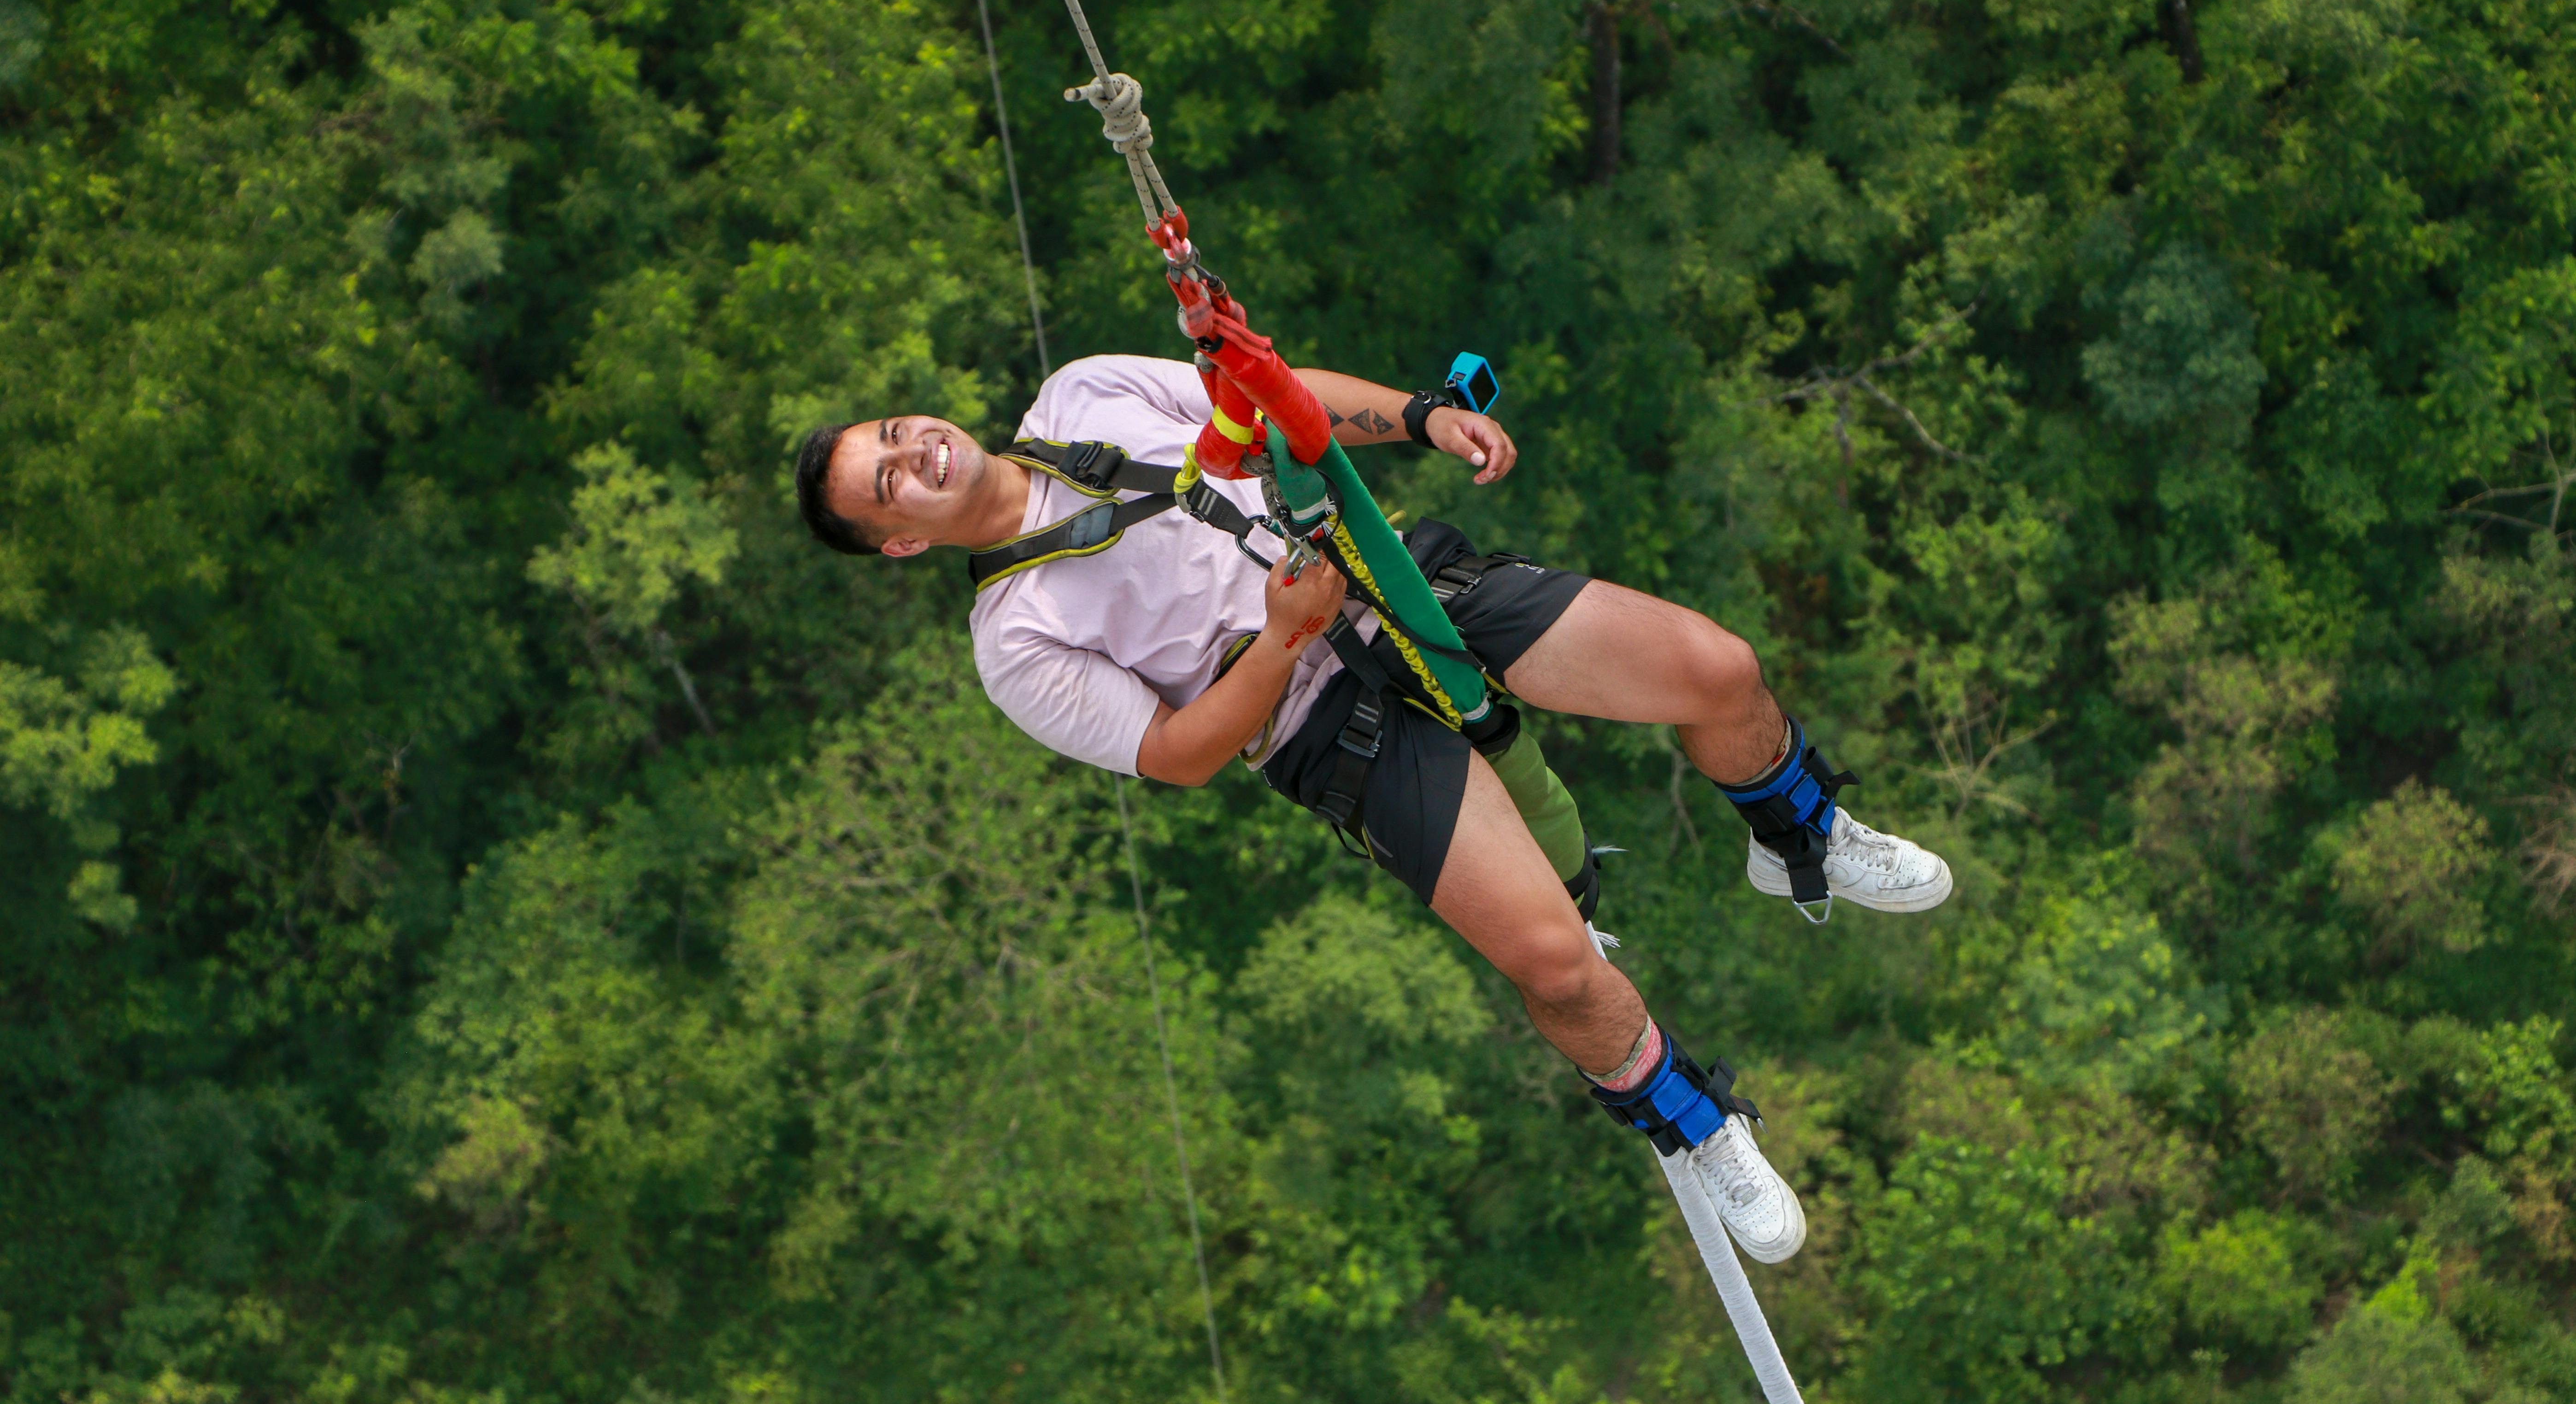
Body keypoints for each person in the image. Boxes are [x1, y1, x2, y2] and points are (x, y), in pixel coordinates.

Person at [793, 353, 1951, 1261]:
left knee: (1719, 668)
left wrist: (1420, 415)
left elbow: (1260, 390)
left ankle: (1801, 832)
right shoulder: (1017, 641)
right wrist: (1284, 638)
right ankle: (1697, 1126)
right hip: (1323, 721)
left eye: (898, 435)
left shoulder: (1082, 393)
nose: (916, 455)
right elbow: (1177, 751)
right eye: (888, 481)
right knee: (1555, 963)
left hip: (1388, 576)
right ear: (901, 539)